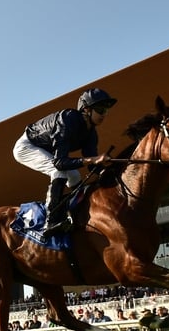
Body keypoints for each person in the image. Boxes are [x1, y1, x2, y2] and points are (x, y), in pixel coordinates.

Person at [12, 88, 117, 236]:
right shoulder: (67, 120)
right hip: (26, 147)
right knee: (58, 171)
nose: (103, 115)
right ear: (86, 110)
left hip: (48, 151)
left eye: (106, 111)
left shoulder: (91, 133)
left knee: (74, 176)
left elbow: (93, 165)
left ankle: (75, 213)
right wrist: (93, 159)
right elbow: (60, 163)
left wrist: (107, 167)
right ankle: (51, 220)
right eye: (100, 109)